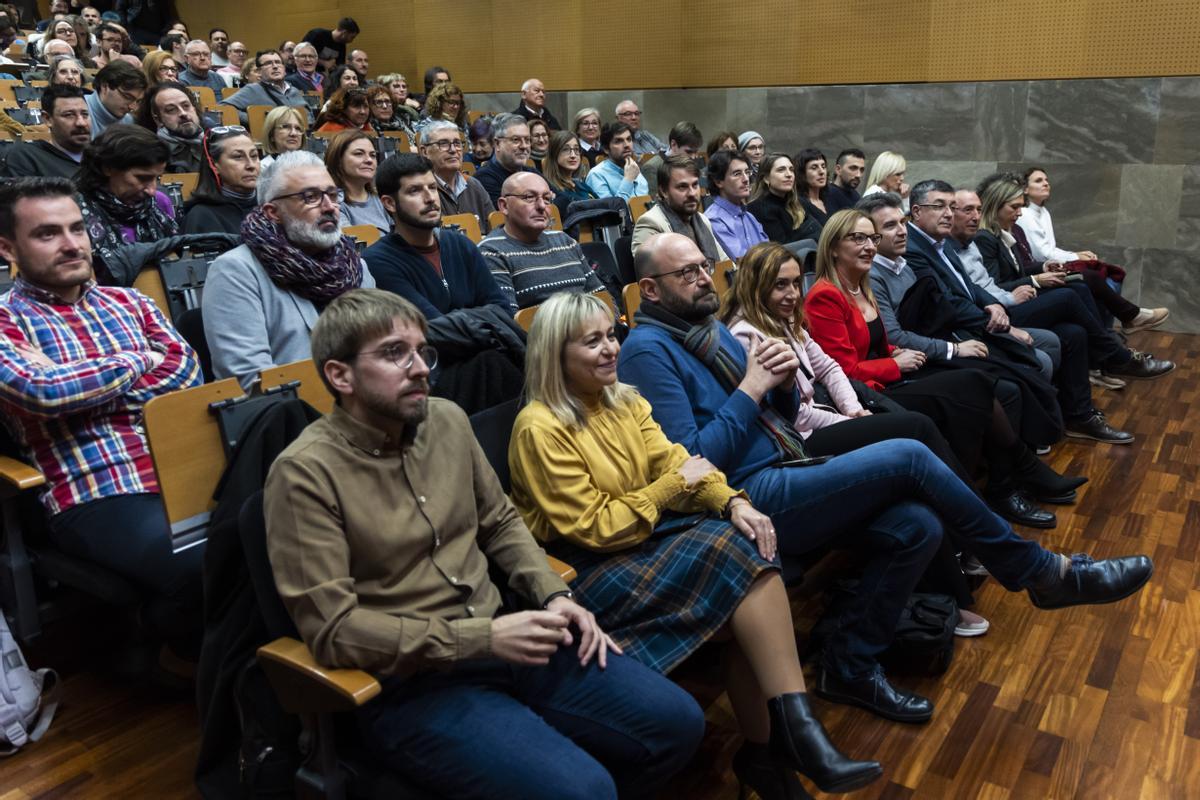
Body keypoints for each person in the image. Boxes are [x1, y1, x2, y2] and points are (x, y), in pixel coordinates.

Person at [619, 231, 1154, 722]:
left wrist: (779, 379)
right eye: (685, 273)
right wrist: (754, 387)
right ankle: (1039, 571)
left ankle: (848, 664)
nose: (701, 277)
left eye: (703, 266)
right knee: (909, 452)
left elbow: (779, 410)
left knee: (916, 524)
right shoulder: (648, 351)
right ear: (650, 288)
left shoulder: (707, 330)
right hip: (744, 495)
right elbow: (695, 464)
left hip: (784, 461)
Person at [264, 287, 704, 799]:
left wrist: (555, 596)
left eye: (422, 350)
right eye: (393, 354)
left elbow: (498, 522)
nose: (420, 367)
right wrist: (482, 640)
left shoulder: (446, 420)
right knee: (583, 790)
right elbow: (334, 630)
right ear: (340, 376)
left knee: (678, 724)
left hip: (509, 640)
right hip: (416, 685)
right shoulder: (304, 474)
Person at [510, 291, 883, 797]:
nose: (610, 350)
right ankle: (788, 743)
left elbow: (681, 463)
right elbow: (599, 526)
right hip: (584, 572)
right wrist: (672, 489)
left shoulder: (623, 398)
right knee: (738, 558)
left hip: (642, 537)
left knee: (745, 553)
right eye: (591, 341)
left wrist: (734, 503)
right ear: (555, 354)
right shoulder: (539, 426)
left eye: (611, 335)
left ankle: (774, 751)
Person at [0, 177, 205, 674]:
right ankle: (178, 647)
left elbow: (187, 372)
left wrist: (84, 388)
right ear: (8, 247)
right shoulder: (6, 319)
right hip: (97, 490)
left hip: (185, 467)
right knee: (214, 565)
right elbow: (44, 393)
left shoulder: (131, 302)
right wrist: (139, 359)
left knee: (291, 529)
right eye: (47, 234)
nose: (72, 244)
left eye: (77, 228)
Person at [798, 214, 1083, 526]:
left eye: (872, 239)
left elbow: (878, 344)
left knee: (986, 384)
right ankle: (1006, 485)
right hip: (870, 394)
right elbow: (844, 369)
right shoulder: (825, 295)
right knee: (974, 387)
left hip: (890, 376)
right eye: (858, 239)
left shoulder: (859, 285)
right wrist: (894, 363)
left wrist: (896, 352)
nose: (869, 247)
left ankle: (1007, 482)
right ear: (834, 247)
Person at [890, 183, 1162, 445]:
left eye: (954, 207)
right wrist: (1005, 314)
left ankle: (1081, 416)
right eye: (942, 207)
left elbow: (971, 286)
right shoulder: (920, 248)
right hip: (962, 330)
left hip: (989, 312)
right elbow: (950, 303)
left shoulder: (945, 242)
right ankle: (1115, 355)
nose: (950, 214)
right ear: (916, 211)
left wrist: (994, 303)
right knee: (1072, 292)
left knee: (1074, 331)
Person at [202, 151, 376, 389]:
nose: (329, 207)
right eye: (310, 197)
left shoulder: (355, 266)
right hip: (293, 415)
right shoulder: (235, 271)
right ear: (273, 212)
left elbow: (378, 346)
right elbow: (250, 379)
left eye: (333, 195)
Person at [980, 172, 1169, 337]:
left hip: (1029, 282)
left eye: (1046, 179)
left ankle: (1113, 344)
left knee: (1087, 290)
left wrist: (1044, 268)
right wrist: (1043, 275)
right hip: (1012, 299)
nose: (1046, 183)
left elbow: (1027, 262)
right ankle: (1117, 343)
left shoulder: (1014, 225)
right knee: (1080, 286)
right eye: (1038, 180)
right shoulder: (989, 236)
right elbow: (1036, 257)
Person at [364, 153, 507, 320]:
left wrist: (463, 320)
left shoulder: (461, 244)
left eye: (432, 187)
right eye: (414, 191)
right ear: (390, 203)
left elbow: (502, 309)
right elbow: (432, 328)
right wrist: (484, 316)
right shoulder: (377, 261)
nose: (430, 198)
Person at [480, 172, 605, 314]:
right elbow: (508, 324)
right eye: (529, 197)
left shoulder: (565, 241)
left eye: (547, 199)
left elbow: (601, 297)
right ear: (504, 206)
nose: (541, 206)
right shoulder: (491, 252)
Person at [75, 124, 177, 282]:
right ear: (107, 168)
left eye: (157, 178)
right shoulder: (72, 211)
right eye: (142, 178)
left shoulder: (159, 202)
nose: (151, 190)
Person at [632, 154, 728, 262]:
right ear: (664, 191)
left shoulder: (703, 220)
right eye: (682, 187)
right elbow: (651, 272)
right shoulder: (650, 223)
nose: (692, 193)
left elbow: (725, 265)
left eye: (695, 185)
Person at [181, 125, 260, 235]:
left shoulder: (274, 204)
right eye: (238, 157)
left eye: (254, 156)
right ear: (214, 165)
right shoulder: (201, 216)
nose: (251, 165)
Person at [1, 84, 90, 179]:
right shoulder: (27, 157)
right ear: (47, 119)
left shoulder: (102, 155)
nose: (81, 123)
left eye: (85, 114)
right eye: (69, 115)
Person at [420, 119, 493, 230]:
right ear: (425, 152)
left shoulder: (474, 185)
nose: (453, 150)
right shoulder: (421, 190)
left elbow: (495, 229)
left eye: (457, 143)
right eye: (443, 144)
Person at [746, 153, 821, 247]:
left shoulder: (797, 202)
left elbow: (828, 226)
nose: (789, 175)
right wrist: (809, 227)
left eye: (791, 170)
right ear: (766, 178)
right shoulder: (758, 208)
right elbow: (782, 249)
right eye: (781, 170)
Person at [704, 149, 766, 260]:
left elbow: (771, 254)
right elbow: (742, 262)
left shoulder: (749, 217)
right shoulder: (713, 220)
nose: (746, 179)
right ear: (718, 181)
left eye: (747, 172)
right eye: (737, 174)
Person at [325, 129, 391, 234]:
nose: (369, 160)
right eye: (359, 154)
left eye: (373, 155)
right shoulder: (331, 203)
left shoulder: (381, 197)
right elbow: (351, 246)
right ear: (338, 161)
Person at [220, 49, 308, 127]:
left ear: (284, 69)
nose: (275, 66)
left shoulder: (294, 91)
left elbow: (309, 117)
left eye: (278, 62)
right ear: (259, 72)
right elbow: (223, 107)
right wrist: (255, 120)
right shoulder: (253, 89)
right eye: (268, 63)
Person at [475, 113, 537, 207]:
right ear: (497, 144)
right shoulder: (484, 178)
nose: (524, 146)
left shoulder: (531, 172)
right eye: (516, 140)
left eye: (527, 140)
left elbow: (562, 199)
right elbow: (512, 213)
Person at [143, 81, 202, 173]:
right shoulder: (151, 154)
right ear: (158, 120)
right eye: (171, 110)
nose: (183, 113)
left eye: (186, 106)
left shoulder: (215, 143)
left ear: (194, 109)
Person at [584, 122, 648, 201]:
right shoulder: (596, 175)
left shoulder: (635, 171)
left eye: (629, 139)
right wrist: (628, 180)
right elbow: (612, 211)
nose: (626, 145)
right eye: (618, 141)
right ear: (606, 149)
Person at [541, 130, 595, 219]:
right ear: (554, 154)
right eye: (566, 149)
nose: (573, 155)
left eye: (576, 149)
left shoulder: (582, 186)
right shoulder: (550, 189)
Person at [641, 121, 702, 198]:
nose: (693, 157)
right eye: (689, 152)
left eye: (696, 152)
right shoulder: (652, 168)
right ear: (673, 144)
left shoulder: (690, 165)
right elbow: (653, 202)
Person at [85, 59, 145, 135]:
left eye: (137, 101)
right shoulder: (78, 112)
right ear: (105, 86)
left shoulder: (129, 121)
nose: (133, 107)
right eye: (127, 97)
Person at [259, 105, 307, 170]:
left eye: (298, 128)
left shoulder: (312, 164)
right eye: (285, 127)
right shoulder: (263, 168)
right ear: (271, 135)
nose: (293, 133)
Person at [794, 148, 830, 232]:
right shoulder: (798, 204)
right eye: (814, 168)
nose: (821, 172)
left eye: (823, 166)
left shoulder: (829, 198)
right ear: (802, 173)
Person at [825, 148, 865, 213]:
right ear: (838, 169)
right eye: (853, 168)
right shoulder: (828, 194)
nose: (858, 175)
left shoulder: (855, 195)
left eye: (861, 170)